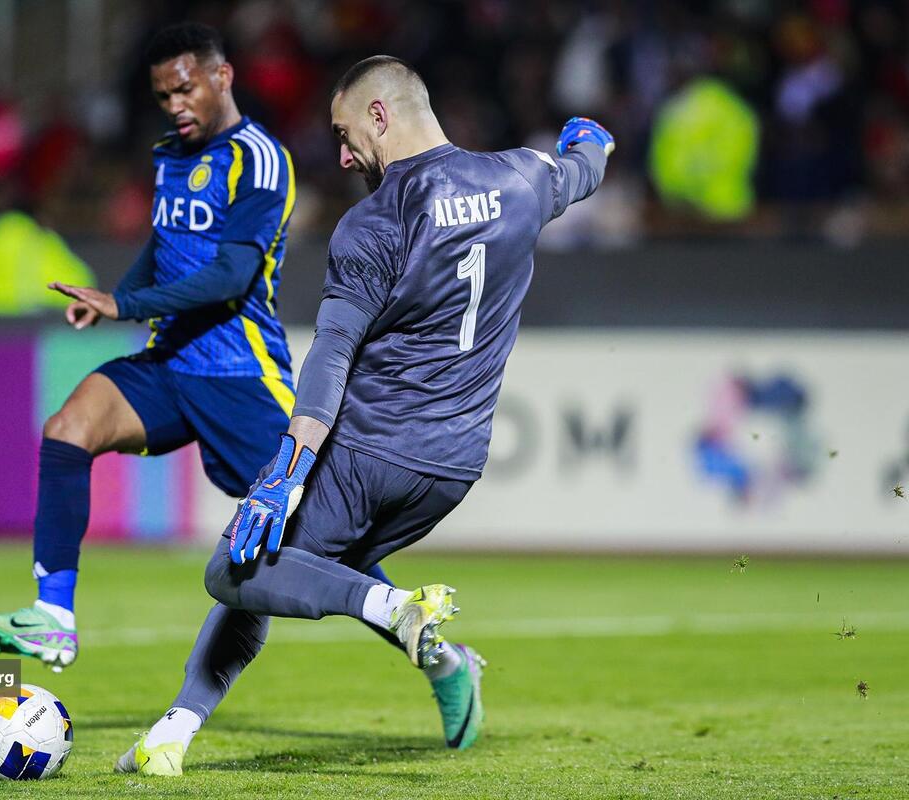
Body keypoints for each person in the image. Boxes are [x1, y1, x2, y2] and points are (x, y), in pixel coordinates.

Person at [117, 55, 612, 776]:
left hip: (368, 452)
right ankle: (175, 734)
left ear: (379, 115)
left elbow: (332, 353)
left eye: (345, 135)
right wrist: (590, 139)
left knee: (234, 568)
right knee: (290, 567)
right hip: (452, 469)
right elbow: (584, 168)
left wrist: (288, 470)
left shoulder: (376, 221)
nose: (344, 157)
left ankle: (393, 610)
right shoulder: (522, 178)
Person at [0, 25, 402, 673]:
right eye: (164, 95)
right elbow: (163, 245)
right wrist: (114, 296)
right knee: (67, 429)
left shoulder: (259, 160)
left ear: (222, 77)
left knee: (325, 535)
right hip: (170, 364)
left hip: (238, 374)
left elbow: (230, 277)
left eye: (185, 88)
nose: (175, 105)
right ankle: (54, 619)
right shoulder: (171, 155)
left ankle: (430, 643)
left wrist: (127, 306)